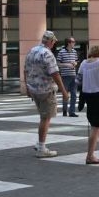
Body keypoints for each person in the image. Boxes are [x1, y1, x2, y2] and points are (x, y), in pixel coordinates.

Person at [24, 30, 67, 158]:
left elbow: (25, 70)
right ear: (50, 41)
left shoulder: (32, 51)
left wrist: (27, 87)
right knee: (45, 118)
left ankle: (39, 143)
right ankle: (42, 147)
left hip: (33, 89)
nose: (54, 44)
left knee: (43, 116)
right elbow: (55, 73)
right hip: (46, 90)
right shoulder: (47, 54)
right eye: (53, 41)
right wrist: (64, 91)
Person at [56, 36, 79, 117]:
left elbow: (76, 61)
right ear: (69, 43)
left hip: (73, 75)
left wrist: (75, 63)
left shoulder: (74, 52)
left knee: (74, 94)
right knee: (65, 93)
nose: (74, 43)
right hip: (65, 76)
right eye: (73, 42)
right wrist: (67, 65)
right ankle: (65, 111)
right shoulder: (61, 52)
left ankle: (72, 112)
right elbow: (58, 63)